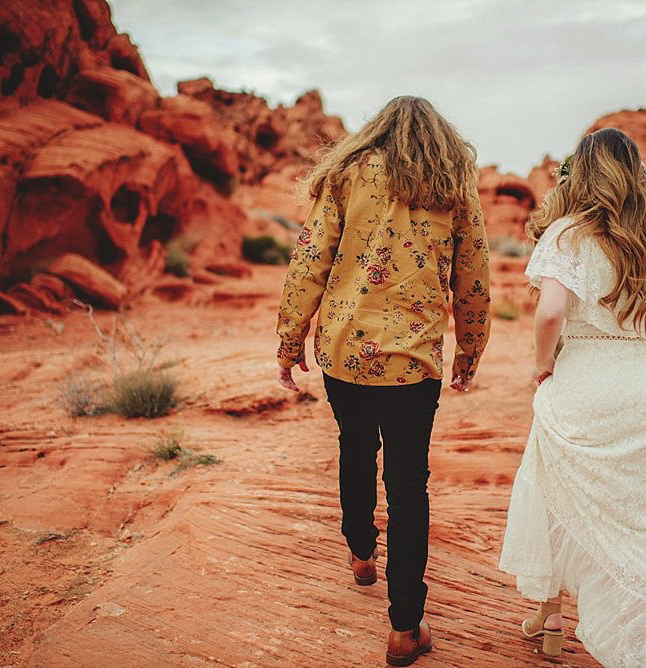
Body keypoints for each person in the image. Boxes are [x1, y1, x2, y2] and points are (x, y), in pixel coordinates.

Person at [275, 95, 491, 666]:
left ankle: (360, 552)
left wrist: (289, 339)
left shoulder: (346, 175)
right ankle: (404, 625)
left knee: (353, 447)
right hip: (413, 363)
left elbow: (309, 258)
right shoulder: (451, 182)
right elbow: (473, 272)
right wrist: (471, 346)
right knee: (408, 485)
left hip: (344, 353)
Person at [498, 128, 646, 667]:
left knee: (552, 493)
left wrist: (541, 364)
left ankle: (552, 619)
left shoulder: (568, 232)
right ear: (637, 169)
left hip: (583, 384)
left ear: (582, 171)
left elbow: (550, 313)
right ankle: (607, 636)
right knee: (633, 524)